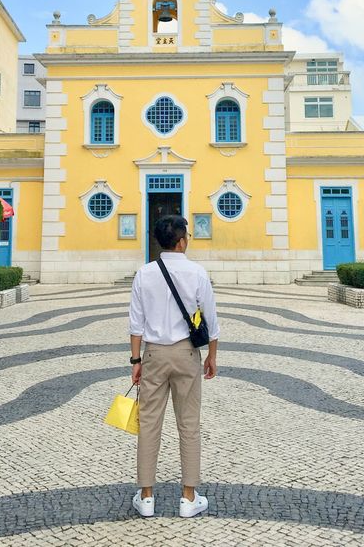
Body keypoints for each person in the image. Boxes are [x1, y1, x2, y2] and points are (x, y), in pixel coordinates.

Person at [128, 215, 220, 519]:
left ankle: (147, 497)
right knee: (189, 424)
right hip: (186, 355)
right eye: (187, 235)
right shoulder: (196, 272)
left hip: (153, 355)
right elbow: (211, 319)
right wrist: (211, 356)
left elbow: (136, 323)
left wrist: (136, 360)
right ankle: (188, 497)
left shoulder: (144, 273)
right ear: (181, 240)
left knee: (149, 424)